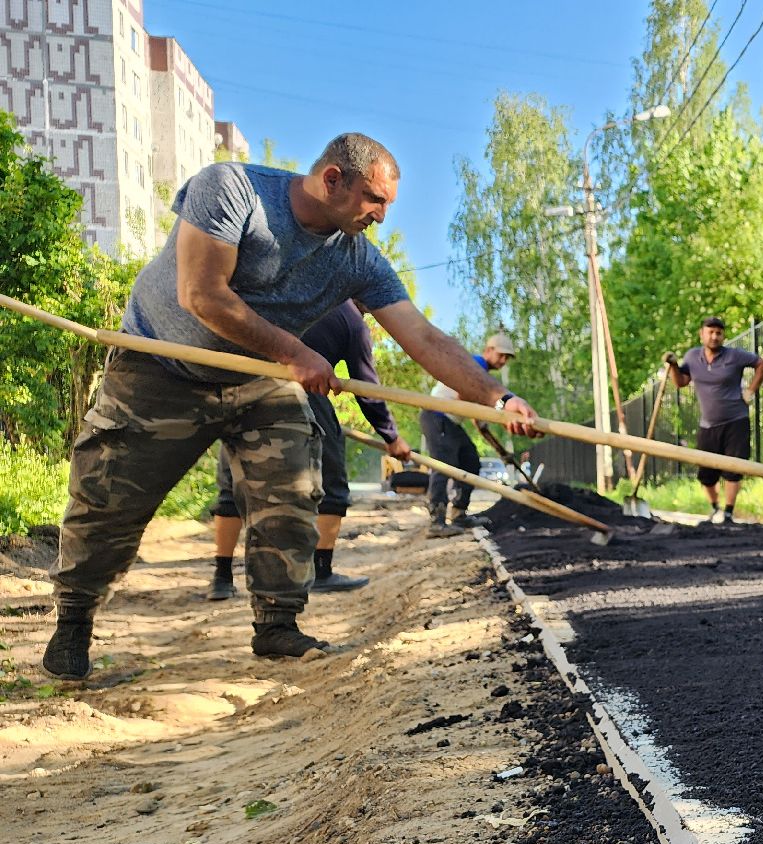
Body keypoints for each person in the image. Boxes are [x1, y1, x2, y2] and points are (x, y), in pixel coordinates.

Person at [41, 133, 538, 681]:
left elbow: (423, 338)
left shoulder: (358, 261)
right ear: (332, 180)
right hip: (162, 370)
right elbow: (202, 294)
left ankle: (277, 623)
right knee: (108, 500)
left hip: (260, 380)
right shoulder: (231, 191)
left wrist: (499, 397)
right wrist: (297, 351)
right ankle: (73, 620)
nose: (380, 215)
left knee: (294, 489)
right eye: (374, 200)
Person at [206, 299, 410, 600]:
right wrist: (392, 437)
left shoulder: (294, 291)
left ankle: (221, 578)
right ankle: (321, 571)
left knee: (234, 481)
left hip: (244, 387)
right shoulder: (352, 321)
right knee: (332, 484)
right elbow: (367, 388)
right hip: (302, 391)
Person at [663, 316, 763, 524]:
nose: (714, 336)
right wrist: (673, 365)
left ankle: (728, 512)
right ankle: (714, 508)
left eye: (718, 333)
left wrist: (750, 391)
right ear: (701, 334)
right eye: (710, 332)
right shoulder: (692, 357)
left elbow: (762, 364)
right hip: (708, 424)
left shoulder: (735, 356)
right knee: (706, 473)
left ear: (723, 336)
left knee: (733, 469)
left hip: (736, 421)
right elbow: (681, 382)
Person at [421, 332, 516, 538]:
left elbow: (479, 422)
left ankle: (459, 513)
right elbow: (464, 394)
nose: (503, 361)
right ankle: (437, 521)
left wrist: (501, 452)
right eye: (501, 355)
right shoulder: (475, 364)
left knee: (470, 461)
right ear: (488, 350)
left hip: (451, 421)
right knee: (443, 465)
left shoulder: (482, 376)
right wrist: (490, 404)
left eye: (507, 358)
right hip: (437, 415)